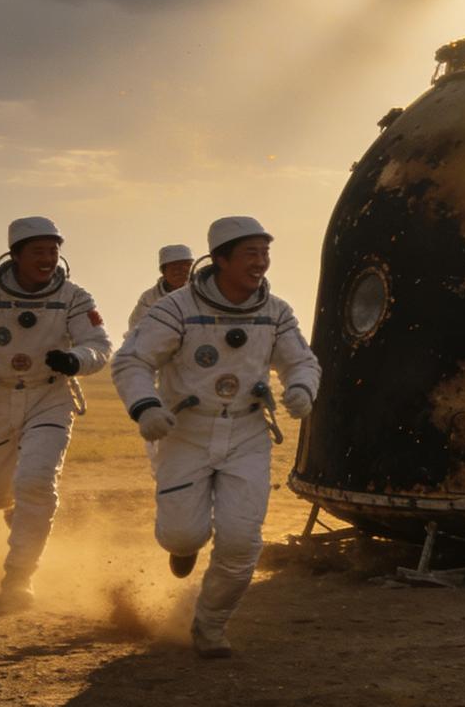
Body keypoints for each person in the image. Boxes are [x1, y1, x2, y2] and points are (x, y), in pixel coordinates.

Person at [111, 216, 320, 658]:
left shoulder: (276, 311)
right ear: (220, 258)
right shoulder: (175, 309)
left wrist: (301, 387)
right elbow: (131, 361)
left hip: (246, 431)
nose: (261, 262)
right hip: (185, 432)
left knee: (242, 542)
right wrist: (144, 406)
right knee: (182, 535)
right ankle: (183, 547)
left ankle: (209, 625)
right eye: (250, 254)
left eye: (265, 253)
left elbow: (301, 361)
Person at [0, 216, 111, 608]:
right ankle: (12, 510)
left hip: (50, 396)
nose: (48, 259)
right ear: (15, 255)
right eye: (38, 251)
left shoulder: (75, 297)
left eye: (53, 251)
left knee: (37, 481)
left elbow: (98, 343)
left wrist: (75, 359)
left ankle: (19, 575)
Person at [127, 244, 195, 331]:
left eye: (185, 266)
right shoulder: (149, 298)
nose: (180, 271)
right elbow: (136, 329)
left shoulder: (202, 292)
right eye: (175, 267)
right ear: (163, 271)